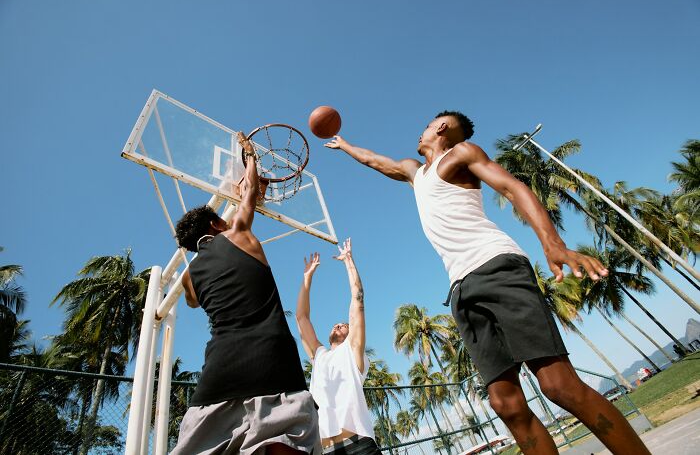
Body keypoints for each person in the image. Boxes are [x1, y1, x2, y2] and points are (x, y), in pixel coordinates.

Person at [324, 112, 650, 454]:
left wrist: (552, 243)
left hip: (497, 266)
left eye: (425, 126)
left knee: (558, 385)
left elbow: (512, 187)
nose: (418, 133)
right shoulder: (414, 172)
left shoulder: (461, 154)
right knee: (505, 404)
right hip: (461, 289)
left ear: (441, 127)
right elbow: (378, 162)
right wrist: (345, 145)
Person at [170, 132, 320, 455]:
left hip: (218, 379)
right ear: (215, 224)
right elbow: (251, 189)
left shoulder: (188, 278)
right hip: (275, 368)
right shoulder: (237, 232)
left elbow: (193, 302)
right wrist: (249, 154)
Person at [295, 239, 381, 454]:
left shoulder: (353, 353)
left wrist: (348, 261)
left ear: (352, 333)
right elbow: (302, 318)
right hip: (324, 449)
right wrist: (307, 278)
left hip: (358, 444)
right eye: (337, 324)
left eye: (344, 325)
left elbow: (358, 300)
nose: (338, 325)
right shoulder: (320, 355)